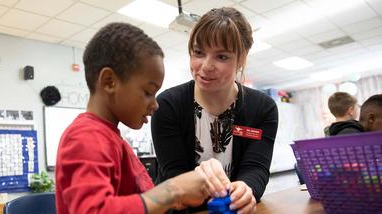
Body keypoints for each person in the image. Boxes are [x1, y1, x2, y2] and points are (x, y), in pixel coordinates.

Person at [55, 22, 230, 214]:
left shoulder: (112, 139)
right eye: (148, 92)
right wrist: (173, 189)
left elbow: (137, 199)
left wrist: (179, 197)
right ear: (109, 82)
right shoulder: (85, 137)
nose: (155, 104)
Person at [151, 7, 279, 214]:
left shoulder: (263, 108)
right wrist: (197, 182)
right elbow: (174, 175)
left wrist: (247, 189)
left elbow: (256, 167)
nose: (206, 66)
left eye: (221, 56)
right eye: (199, 52)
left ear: (242, 58)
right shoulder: (167, 105)